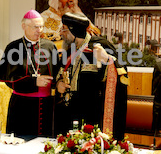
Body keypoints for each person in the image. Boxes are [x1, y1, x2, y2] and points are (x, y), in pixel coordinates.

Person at [54, 12, 128, 140]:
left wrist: (107, 59)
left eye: (64, 29)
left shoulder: (99, 46)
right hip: (69, 115)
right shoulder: (70, 51)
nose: (61, 33)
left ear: (74, 31)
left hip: (92, 117)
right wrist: (58, 85)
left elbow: (121, 73)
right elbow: (59, 75)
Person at [0, 10, 59, 139]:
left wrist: (59, 83)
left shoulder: (50, 46)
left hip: (46, 105)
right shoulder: (13, 47)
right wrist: (34, 82)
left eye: (41, 26)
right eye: (36, 27)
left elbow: (58, 73)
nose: (39, 30)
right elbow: (8, 80)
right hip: (21, 106)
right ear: (24, 26)